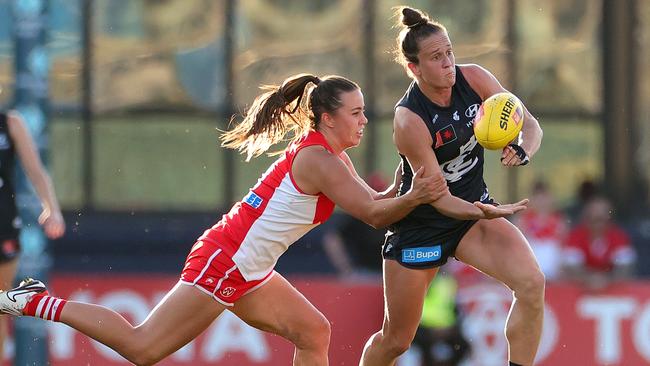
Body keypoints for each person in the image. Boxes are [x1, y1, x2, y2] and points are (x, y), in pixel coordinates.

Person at [0, 73, 450, 366]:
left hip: (248, 266)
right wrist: (419, 192)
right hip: (227, 260)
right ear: (328, 118)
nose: (363, 121)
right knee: (142, 348)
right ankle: (36, 302)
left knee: (313, 332)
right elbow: (374, 214)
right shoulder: (320, 160)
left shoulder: (331, 155)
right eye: (355, 113)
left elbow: (377, 200)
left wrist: (412, 178)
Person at [360, 7, 542, 366]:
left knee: (532, 285)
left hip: (472, 215)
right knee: (396, 340)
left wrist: (522, 149)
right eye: (435, 57)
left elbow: (529, 123)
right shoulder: (409, 119)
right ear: (414, 68)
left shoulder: (474, 79)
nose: (447, 64)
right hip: (422, 224)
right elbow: (438, 198)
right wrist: (485, 210)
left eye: (449, 52)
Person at [0, 108, 65, 360]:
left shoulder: (11, 123)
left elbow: (36, 170)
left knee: (1, 305)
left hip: (3, 225)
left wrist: (52, 208)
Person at [563, 196, 636, 290]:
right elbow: (571, 267)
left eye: (601, 219)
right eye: (593, 220)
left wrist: (606, 280)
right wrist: (589, 279)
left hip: (614, 293)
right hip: (581, 291)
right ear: (586, 219)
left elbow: (626, 267)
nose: (598, 225)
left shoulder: (618, 236)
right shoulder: (576, 236)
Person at [513, 180, 567, 281]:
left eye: (545, 197)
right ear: (532, 199)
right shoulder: (522, 221)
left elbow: (562, 247)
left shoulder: (559, 221)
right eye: (538, 197)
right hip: (530, 268)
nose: (542, 201)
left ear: (551, 198)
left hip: (554, 270)